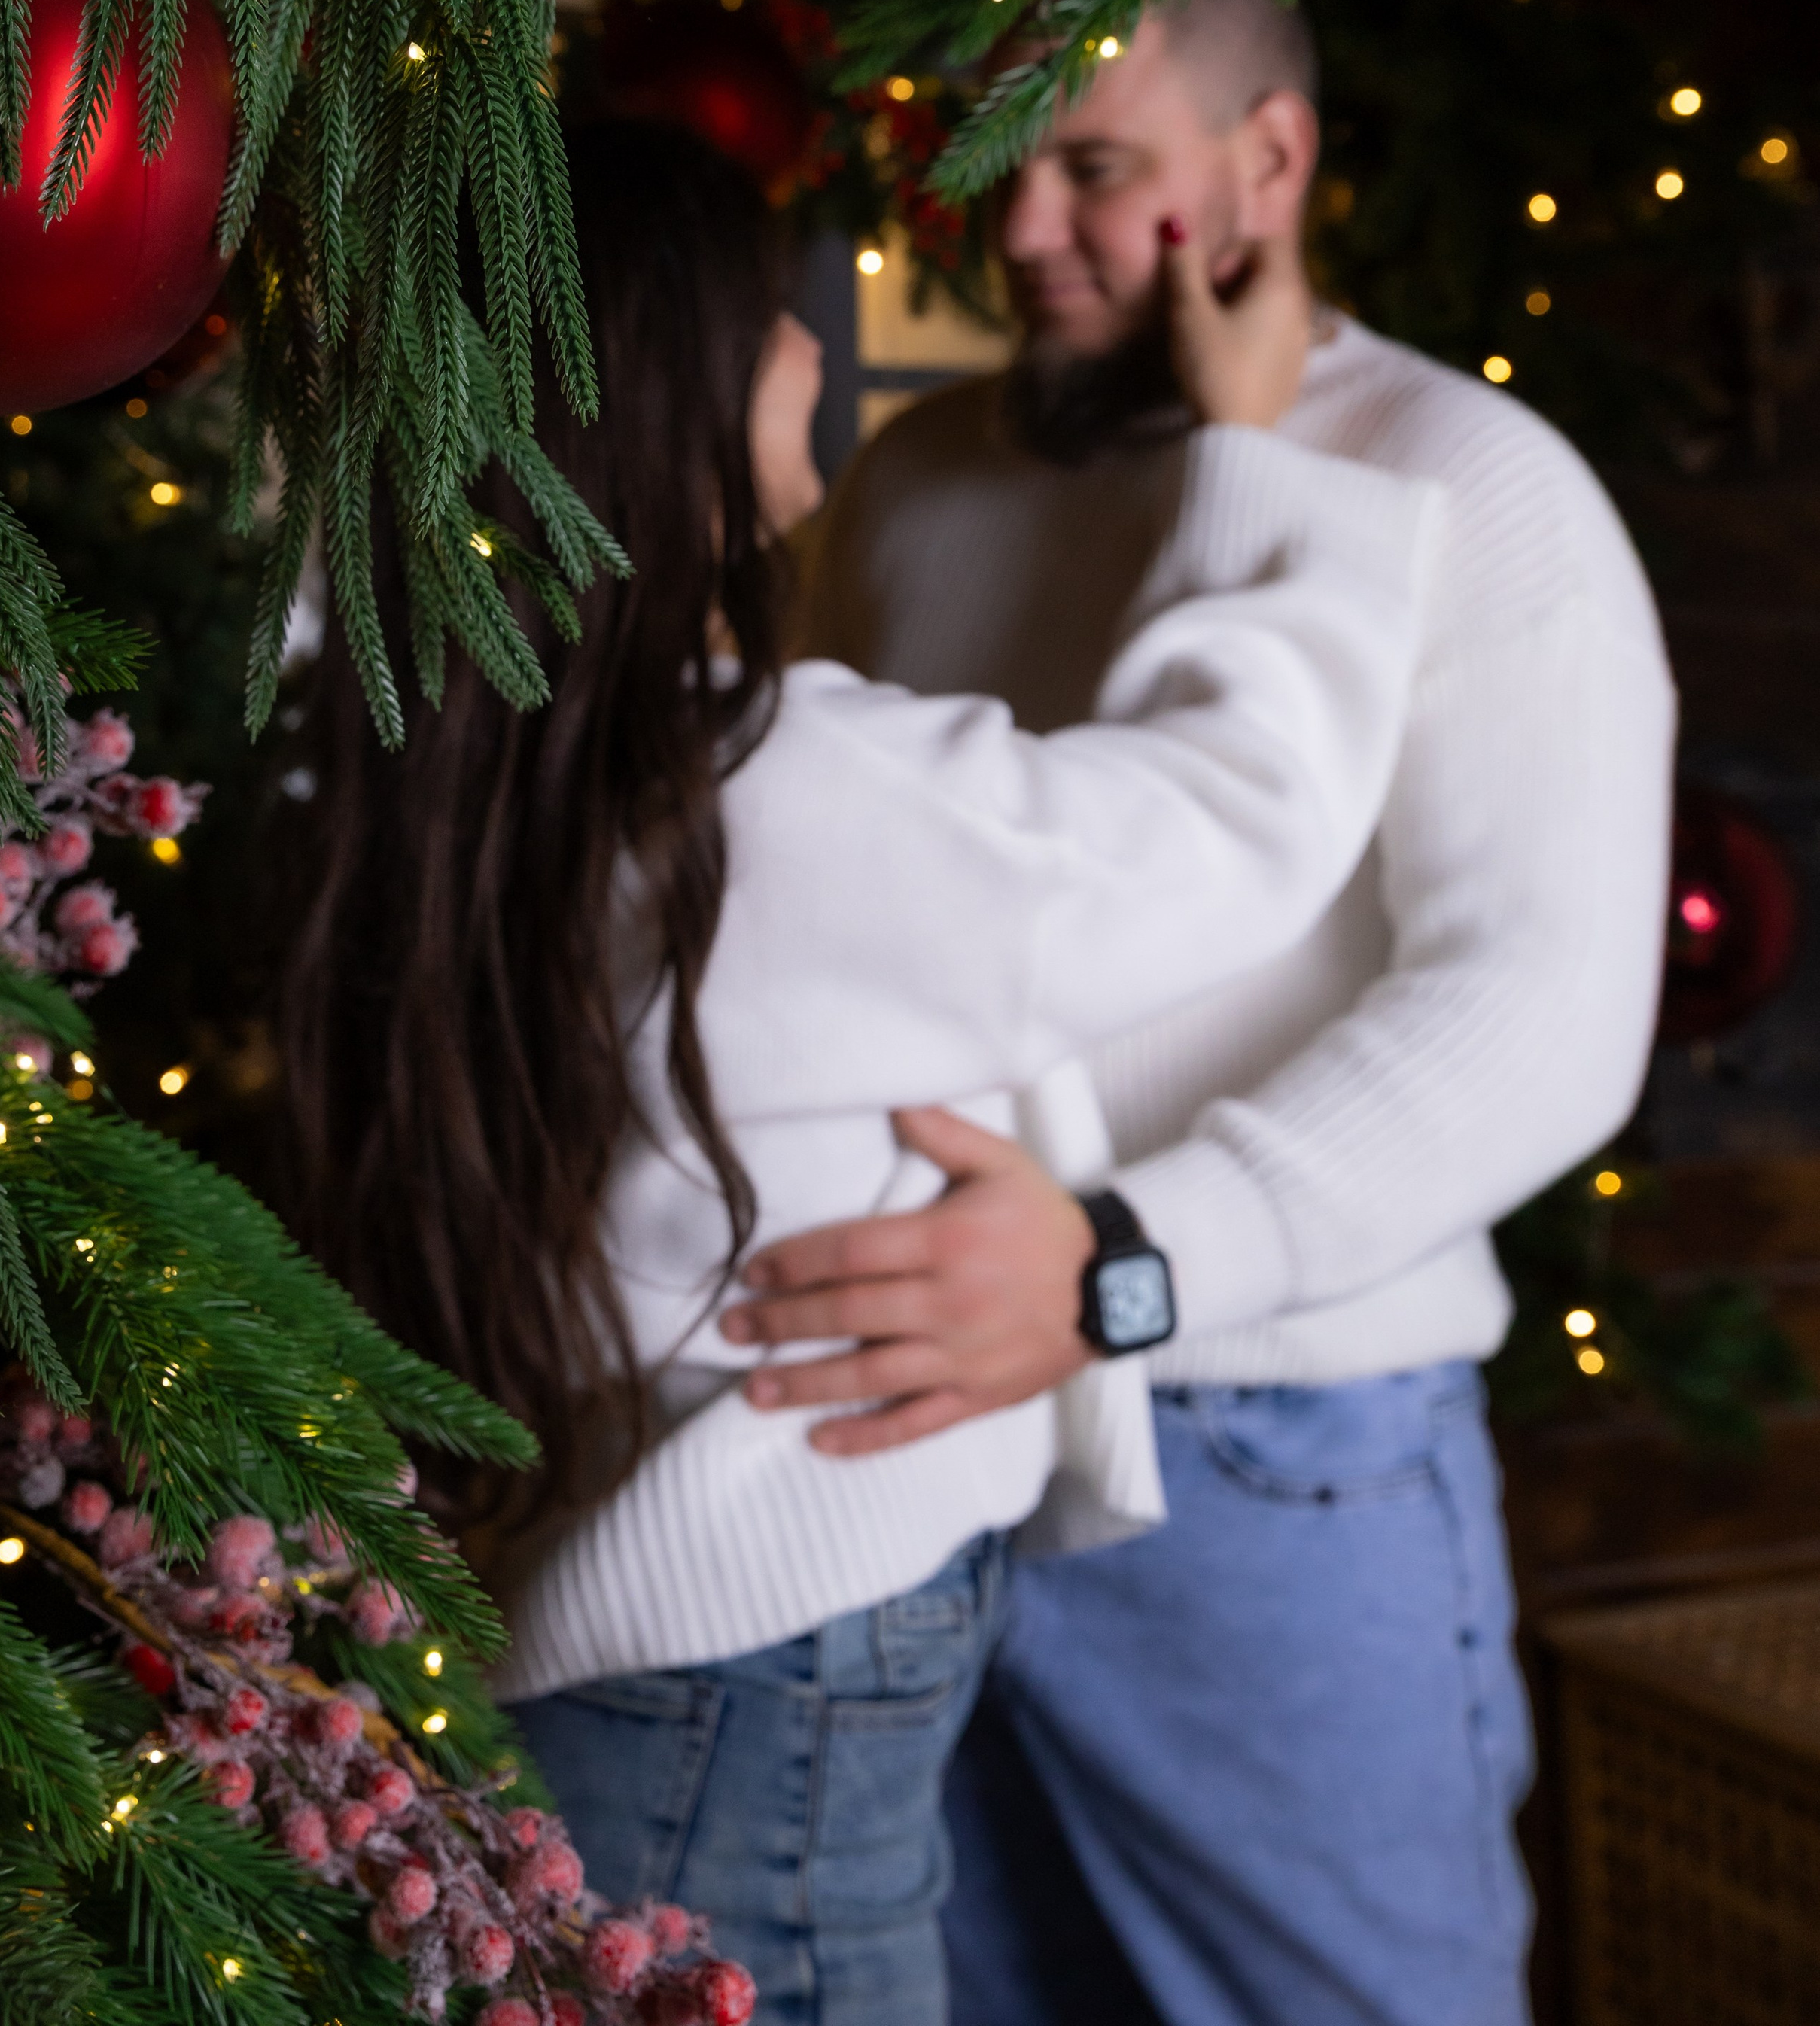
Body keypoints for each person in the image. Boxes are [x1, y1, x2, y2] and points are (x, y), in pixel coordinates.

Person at [278, 115, 1438, 2026]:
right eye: (770, 317)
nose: (817, 345)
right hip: (764, 1668)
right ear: (664, 396)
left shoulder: (480, 767)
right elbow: (1228, 831)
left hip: (637, 1646)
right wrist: (1259, 466)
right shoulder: (768, 792)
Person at [728, 0, 1678, 2026]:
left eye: (1093, 167)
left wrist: (1118, 1269)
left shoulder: (1476, 486)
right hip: (924, 1449)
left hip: (1277, 1455)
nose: (1026, 232)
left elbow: (1549, 1015)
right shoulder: (919, 484)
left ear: (1268, 159)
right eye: (1002, 165)